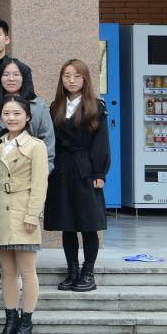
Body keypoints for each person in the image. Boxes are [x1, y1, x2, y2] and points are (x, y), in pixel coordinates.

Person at [0, 94, 50, 334]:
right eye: (6, 113)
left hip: (24, 213)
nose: (11, 118)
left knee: (27, 272)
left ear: (27, 116)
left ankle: (26, 321)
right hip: (1, 213)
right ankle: (10, 320)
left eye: (17, 113)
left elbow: (40, 184)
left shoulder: (36, 146)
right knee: (7, 272)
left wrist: (33, 215)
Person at [46, 59, 110, 293]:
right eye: (67, 76)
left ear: (85, 79)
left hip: (86, 168)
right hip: (61, 168)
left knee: (88, 223)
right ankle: (72, 271)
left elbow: (101, 142)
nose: (71, 80)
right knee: (67, 223)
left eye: (77, 76)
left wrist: (99, 172)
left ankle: (88, 272)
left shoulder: (96, 106)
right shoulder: (55, 106)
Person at [0, 59, 56, 172]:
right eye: (6, 74)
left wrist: (44, 170)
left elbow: (47, 139)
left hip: (29, 171)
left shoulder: (38, 106)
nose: (11, 79)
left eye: (16, 74)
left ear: (24, 78)